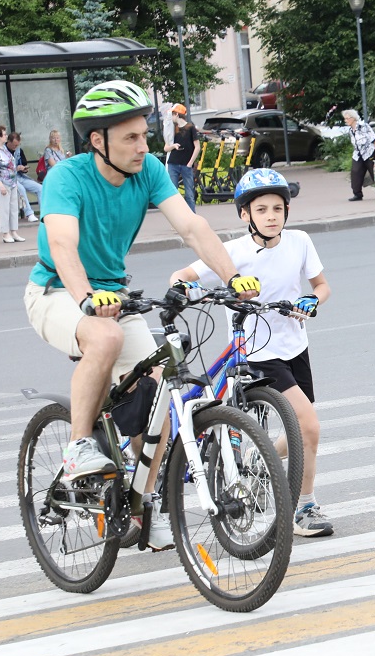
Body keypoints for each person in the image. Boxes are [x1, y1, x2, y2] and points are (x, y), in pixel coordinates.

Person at [22, 80, 260, 551]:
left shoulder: (148, 170)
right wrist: (88, 298)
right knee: (105, 340)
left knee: (163, 385)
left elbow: (191, 225)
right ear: (98, 141)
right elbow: (64, 246)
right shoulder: (66, 178)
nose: (143, 146)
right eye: (130, 138)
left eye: (144, 135)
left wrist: (232, 277)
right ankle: (76, 450)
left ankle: (139, 505)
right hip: (56, 291)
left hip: (114, 296)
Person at [169, 168, 334, 537]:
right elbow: (181, 276)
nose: (272, 215)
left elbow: (322, 286)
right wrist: (187, 290)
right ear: (246, 215)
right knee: (309, 427)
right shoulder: (231, 253)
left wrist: (312, 298)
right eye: (262, 209)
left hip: (295, 347)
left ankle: (262, 462)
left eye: (278, 208)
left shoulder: (300, 241)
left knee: (301, 431)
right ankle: (305, 508)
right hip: (257, 352)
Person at [0, 125, 25, 243]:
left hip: (12, 182)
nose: (6, 136)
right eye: (4, 134)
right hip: (2, 183)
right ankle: (5, 233)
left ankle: (13, 231)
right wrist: (0, 185)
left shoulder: (4, 148)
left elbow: (11, 163)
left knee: (14, 208)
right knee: (4, 209)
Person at [163, 103, 200, 212]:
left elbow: (197, 147)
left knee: (189, 193)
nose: (172, 117)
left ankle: (192, 217)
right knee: (173, 193)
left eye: (173, 114)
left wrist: (190, 163)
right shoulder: (173, 129)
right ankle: (177, 218)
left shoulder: (190, 128)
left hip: (186, 164)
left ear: (177, 115)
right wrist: (173, 146)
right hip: (173, 163)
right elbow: (165, 148)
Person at [342, 108, 375, 201]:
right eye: (345, 119)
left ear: (353, 118)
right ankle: (357, 194)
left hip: (369, 153)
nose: (345, 120)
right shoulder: (350, 130)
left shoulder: (363, 126)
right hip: (358, 154)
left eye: (347, 118)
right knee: (355, 172)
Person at [6, 131, 41, 223]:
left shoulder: (19, 150)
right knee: (21, 189)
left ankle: (44, 212)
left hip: (20, 176)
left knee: (40, 188)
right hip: (9, 178)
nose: (15, 147)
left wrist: (24, 169)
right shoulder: (2, 151)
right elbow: (2, 169)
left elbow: (23, 163)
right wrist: (15, 168)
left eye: (17, 145)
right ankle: (29, 214)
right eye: (14, 145)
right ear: (8, 142)